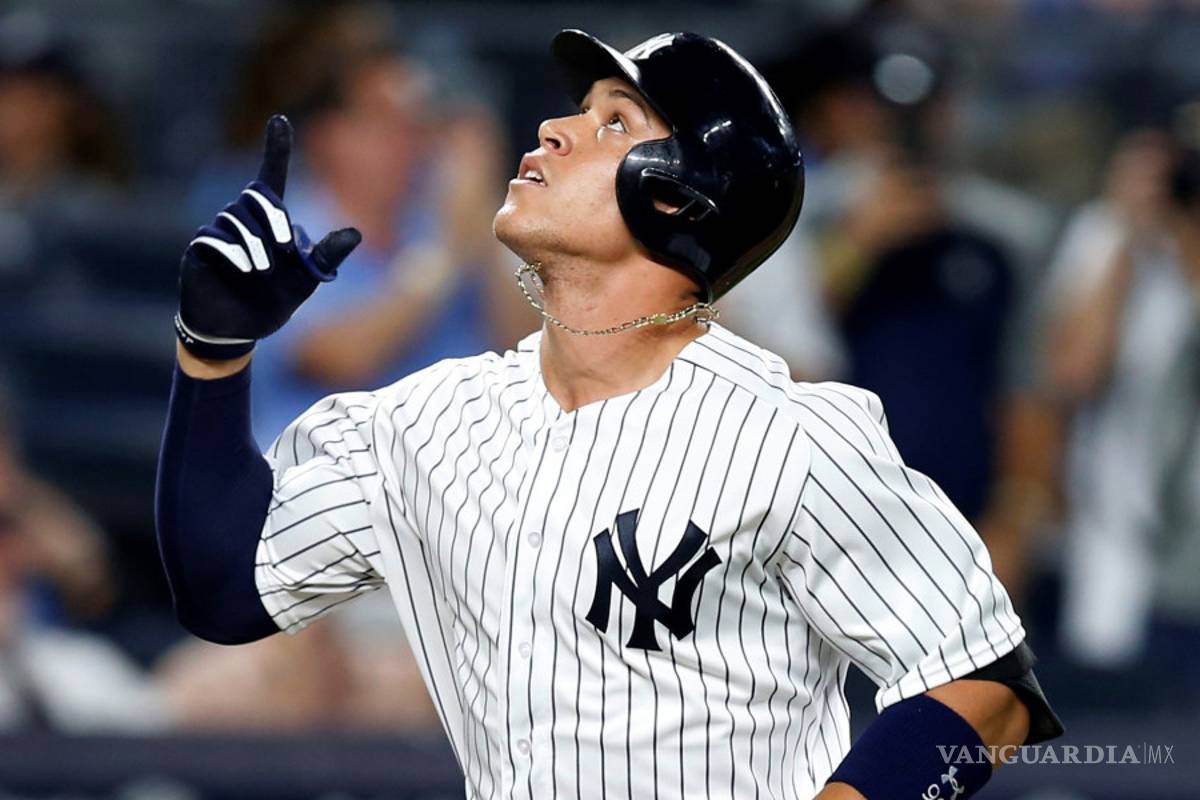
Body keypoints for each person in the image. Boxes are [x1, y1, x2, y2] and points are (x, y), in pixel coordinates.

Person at [156, 30, 1061, 799]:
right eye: (577, 111)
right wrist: (213, 353)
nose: (554, 129)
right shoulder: (424, 421)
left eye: (615, 122)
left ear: (676, 195)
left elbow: (984, 686)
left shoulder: (790, 435)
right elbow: (228, 589)